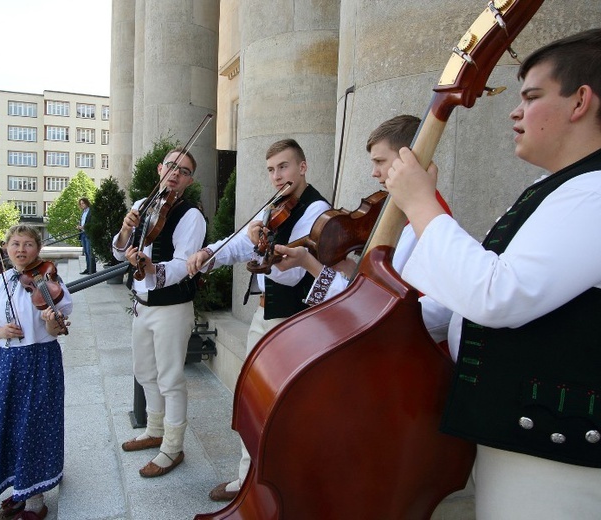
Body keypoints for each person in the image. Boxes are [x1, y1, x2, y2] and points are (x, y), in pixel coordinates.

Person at [386, 29, 601, 518]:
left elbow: (497, 294)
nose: (515, 111)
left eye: (531, 96)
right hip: (519, 435)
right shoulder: (557, 188)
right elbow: (477, 292)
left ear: (580, 101)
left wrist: (420, 202)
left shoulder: (595, 192)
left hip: (556, 454)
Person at [186, 138, 331, 502]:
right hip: (265, 314)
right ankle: (247, 478)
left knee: (281, 408)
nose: (277, 176)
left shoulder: (317, 212)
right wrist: (209, 253)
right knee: (252, 400)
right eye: (271, 169)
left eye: (284, 166)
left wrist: (264, 246)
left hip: (293, 322)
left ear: (303, 167)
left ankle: (280, 485)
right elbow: (239, 243)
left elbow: (293, 274)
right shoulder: (276, 207)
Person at [275, 115, 452, 343]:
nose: (374, 172)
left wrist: (309, 263)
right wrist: (346, 266)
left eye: (380, 161)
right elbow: (373, 285)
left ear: (408, 159)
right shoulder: (403, 211)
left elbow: (375, 305)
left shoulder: (424, 223)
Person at [112, 148, 206, 478]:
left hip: (172, 307)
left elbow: (183, 265)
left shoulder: (191, 215)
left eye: (184, 170)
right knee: (144, 371)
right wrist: (125, 232)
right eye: (171, 166)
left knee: (170, 379)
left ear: (189, 180)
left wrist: (152, 267)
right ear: (160, 169)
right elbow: (121, 249)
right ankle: (154, 429)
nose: (175, 173)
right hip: (142, 304)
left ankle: (173, 446)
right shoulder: (141, 206)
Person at [0, 225, 72, 520]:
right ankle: (18, 489)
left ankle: (35, 500)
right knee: (4, 425)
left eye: (28, 244)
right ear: (6, 247)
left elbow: (56, 329)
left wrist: (52, 320)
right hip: (3, 365)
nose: (21, 249)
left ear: (38, 250)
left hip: (39, 361)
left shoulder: (49, 281)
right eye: (15, 243)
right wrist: (0, 331)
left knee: (33, 427)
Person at [77, 197, 96, 275]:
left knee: (89, 252)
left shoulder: (91, 212)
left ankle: (92, 269)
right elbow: (82, 221)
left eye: (83, 203)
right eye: (80, 204)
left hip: (88, 233)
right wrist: (79, 226)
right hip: (83, 233)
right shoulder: (83, 212)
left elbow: (92, 222)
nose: (82, 205)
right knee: (86, 252)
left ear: (87, 203)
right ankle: (88, 269)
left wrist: (84, 227)